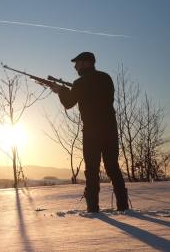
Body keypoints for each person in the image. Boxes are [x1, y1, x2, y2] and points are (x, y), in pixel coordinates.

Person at [50, 51, 129, 212]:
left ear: (86, 63)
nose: (75, 66)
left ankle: (93, 208)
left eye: (77, 63)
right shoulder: (106, 78)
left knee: (92, 169)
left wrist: (60, 91)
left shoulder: (80, 83)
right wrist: (68, 89)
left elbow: (69, 103)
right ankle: (123, 206)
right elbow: (98, 96)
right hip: (110, 129)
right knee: (112, 167)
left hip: (92, 131)